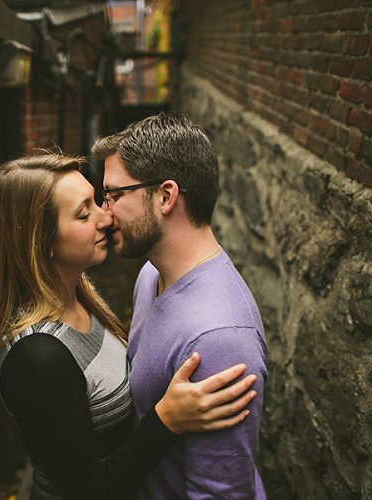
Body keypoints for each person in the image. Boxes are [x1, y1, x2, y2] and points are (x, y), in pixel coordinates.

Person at [0, 153, 259, 500]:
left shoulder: (78, 297)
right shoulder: (36, 356)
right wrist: (167, 418)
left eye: (98, 201)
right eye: (84, 213)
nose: (105, 216)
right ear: (42, 241)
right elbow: (85, 493)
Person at [92, 113, 269, 499]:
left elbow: (220, 493)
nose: (105, 213)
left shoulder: (218, 338)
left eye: (115, 195)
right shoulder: (149, 276)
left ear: (166, 196)